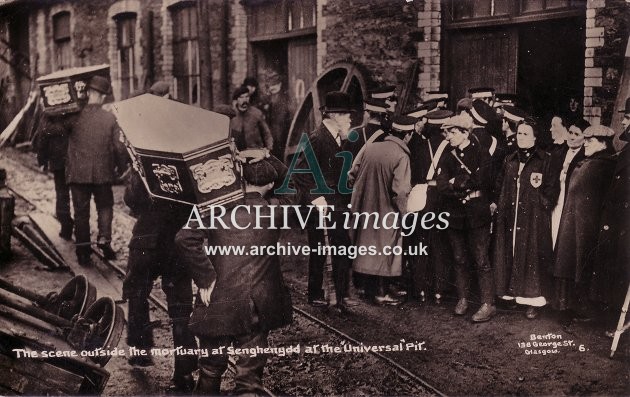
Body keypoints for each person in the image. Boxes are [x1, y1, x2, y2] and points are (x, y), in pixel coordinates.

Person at [175, 160, 293, 395]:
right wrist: (266, 155)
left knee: (209, 369)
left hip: (218, 300)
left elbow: (184, 239)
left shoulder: (215, 209)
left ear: (241, 180)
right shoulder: (277, 210)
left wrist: (205, 278)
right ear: (270, 185)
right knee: (249, 378)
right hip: (256, 306)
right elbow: (290, 181)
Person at [121, 84, 198, 392]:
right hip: (178, 240)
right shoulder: (191, 153)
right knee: (181, 305)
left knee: (137, 292)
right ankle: (184, 373)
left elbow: (132, 200)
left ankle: (140, 353)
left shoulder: (144, 151)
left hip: (147, 239)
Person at [294, 91, 356, 308]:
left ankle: (339, 296)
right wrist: (316, 198)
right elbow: (300, 172)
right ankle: (315, 293)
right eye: (347, 115)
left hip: (337, 205)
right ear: (335, 116)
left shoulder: (341, 138)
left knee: (341, 247)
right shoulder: (317, 138)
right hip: (319, 206)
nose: (350, 119)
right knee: (319, 250)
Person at [553, 124, 617, 322]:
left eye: (590, 141)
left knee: (583, 264)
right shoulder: (586, 162)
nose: (585, 144)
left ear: (603, 144)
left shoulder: (604, 165)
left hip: (588, 228)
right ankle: (569, 306)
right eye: (586, 140)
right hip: (572, 224)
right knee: (570, 262)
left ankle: (583, 309)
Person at [437, 114, 496, 322]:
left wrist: (458, 182)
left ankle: (487, 303)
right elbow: (441, 184)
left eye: (452, 132)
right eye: (447, 132)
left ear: (464, 133)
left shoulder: (482, 153)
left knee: (481, 259)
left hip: (477, 213)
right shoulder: (447, 154)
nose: (448, 137)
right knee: (459, 258)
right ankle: (462, 299)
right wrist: (460, 185)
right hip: (455, 214)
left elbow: (484, 179)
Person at [493, 118, 554, 319]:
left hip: (532, 219)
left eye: (526, 134)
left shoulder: (545, 160)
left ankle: (532, 301)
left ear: (536, 137)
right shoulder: (509, 159)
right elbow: (499, 184)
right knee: (509, 252)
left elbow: (551, 190)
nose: (521, 137)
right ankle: (511, 296)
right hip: (510, 216)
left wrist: (540, 205)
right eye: (519, 133)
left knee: (530, 255)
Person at [350, 115, 413, 305]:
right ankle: (381, 293)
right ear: (407, 135)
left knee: (367, 247)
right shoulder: (401, 155)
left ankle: (365, 289)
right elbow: (400, 191)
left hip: (364, 207)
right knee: (386, 249)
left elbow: (352, 173)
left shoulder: (370, 147)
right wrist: (405, 214)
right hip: (386, 210)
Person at [65, 76, 128, 265]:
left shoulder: (73, 116)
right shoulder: (110, 118)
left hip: (78, 174)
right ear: (101, 97)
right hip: (102, 173)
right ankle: (104, 239)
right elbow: (119, 147)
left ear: (88, 93)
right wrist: (121, 167)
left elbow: (56, 134)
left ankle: (83, 252)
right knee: (105, 206)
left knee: (81, 213)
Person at [405, 108, 453, 303]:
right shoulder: (449, 146)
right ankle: (439, 290)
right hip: (438, 196)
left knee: (421, 243)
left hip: (418, 195)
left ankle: (420, 289)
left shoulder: (417, 146)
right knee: (439, 244)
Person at [591, 99, 630, 331]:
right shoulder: (626, 148)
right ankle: (614, 316)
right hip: (618, 221)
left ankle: (620, 319)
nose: (624, 120)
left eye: (628, 116)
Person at [548, 118, 587, 249]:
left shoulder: (584, 156)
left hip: (570, 200)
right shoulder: (560, 151)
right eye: (570, 132)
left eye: (577, 134)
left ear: (584, 138)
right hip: (557, 198)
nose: (572, 137)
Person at [36, 114, 73, 240]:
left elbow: (42, 137)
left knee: (62, 194)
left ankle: (66, 226)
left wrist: (42, 160)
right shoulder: (74, 111)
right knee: (79, 195)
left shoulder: (49, 114)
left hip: (59, 161)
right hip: (76, 160)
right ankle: (81, 231)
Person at [230, 86, 273, 153]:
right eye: (241, 97)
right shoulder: (231, 114)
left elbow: (267, 133)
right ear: (236, 100)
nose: (244, 100)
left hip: (256, 151)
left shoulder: (256, 113)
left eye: (247, 97)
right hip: (237, 153)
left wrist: (268, 148)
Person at [266, 73, 291, 159]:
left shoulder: (282, 99)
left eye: (274, 84)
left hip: (279, 132)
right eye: (270, 85)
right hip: (274, 131)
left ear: (280, 84)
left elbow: (282, 119)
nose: (272, 87)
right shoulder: (272, 98)